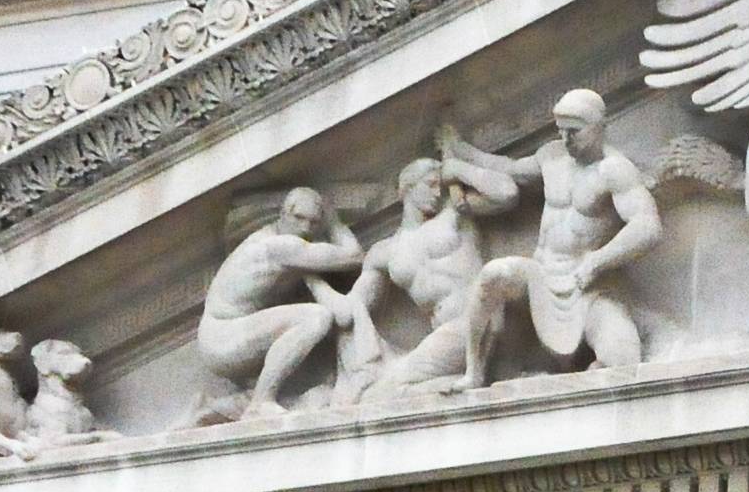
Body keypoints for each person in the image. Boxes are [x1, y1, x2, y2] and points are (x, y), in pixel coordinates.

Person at [466, 92, 665, 386]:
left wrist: (597, 261)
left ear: (598, 126)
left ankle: (584, 378)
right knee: (494, 274)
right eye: (560, 131)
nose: (566, 139)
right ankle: (473, 371)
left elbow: (647, 226)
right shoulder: (552, 156)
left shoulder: (614, 170)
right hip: (540, 276)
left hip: (587, 287)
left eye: (574, 131)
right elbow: (510, 168)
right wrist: (460, 153)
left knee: (624, 361)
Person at [339, 137, 527, 399]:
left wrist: (457, 169)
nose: (438, 193)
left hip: (475, 320)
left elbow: (507, 193)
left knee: (378, 396)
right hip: (448, 335)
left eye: (441, 185)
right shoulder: (383, 252)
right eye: (430, 185)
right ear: (406, 188)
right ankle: (457, 383)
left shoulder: (455, 215)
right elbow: (351, 310)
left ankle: (461, 380)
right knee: (377, 393)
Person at [191, 186, 366, 420]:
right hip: (224, 336)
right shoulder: (281, 246)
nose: (305, 228)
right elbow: (353, 256)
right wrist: (332, 219)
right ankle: (261, 402)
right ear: (283, 214)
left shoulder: (269, 237)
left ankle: (227, 405)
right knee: (316, 318)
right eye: (299, 218)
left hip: (223, 334)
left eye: (314, 222)